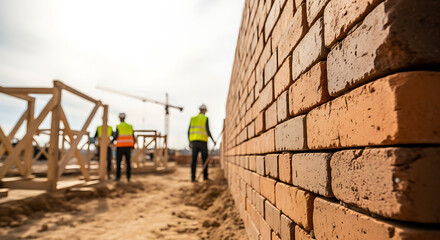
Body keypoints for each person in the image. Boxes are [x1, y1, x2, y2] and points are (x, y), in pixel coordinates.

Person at [188, 104, 216, 182]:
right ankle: (205, 177)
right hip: (203, 142)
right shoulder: (205, 118)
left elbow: (188, 131)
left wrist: (189, 142)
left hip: (194, 142)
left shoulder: (193, 119)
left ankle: (193, 178)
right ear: (204, 110)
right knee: (204, 159)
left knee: (193, 160)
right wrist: (213, 140)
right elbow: (207, 130)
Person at [112, 113, 135, 182]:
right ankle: (128, 178)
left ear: (119, 118)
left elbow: (115, 136)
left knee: (118, 163)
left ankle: (118, 178)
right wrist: (133, 146)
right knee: (128, 163)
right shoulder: (130, 126)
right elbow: (133, 136)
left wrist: (111, 142)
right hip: (128, 147)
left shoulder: (118, 126)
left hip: (120, 147)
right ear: (125, 118)